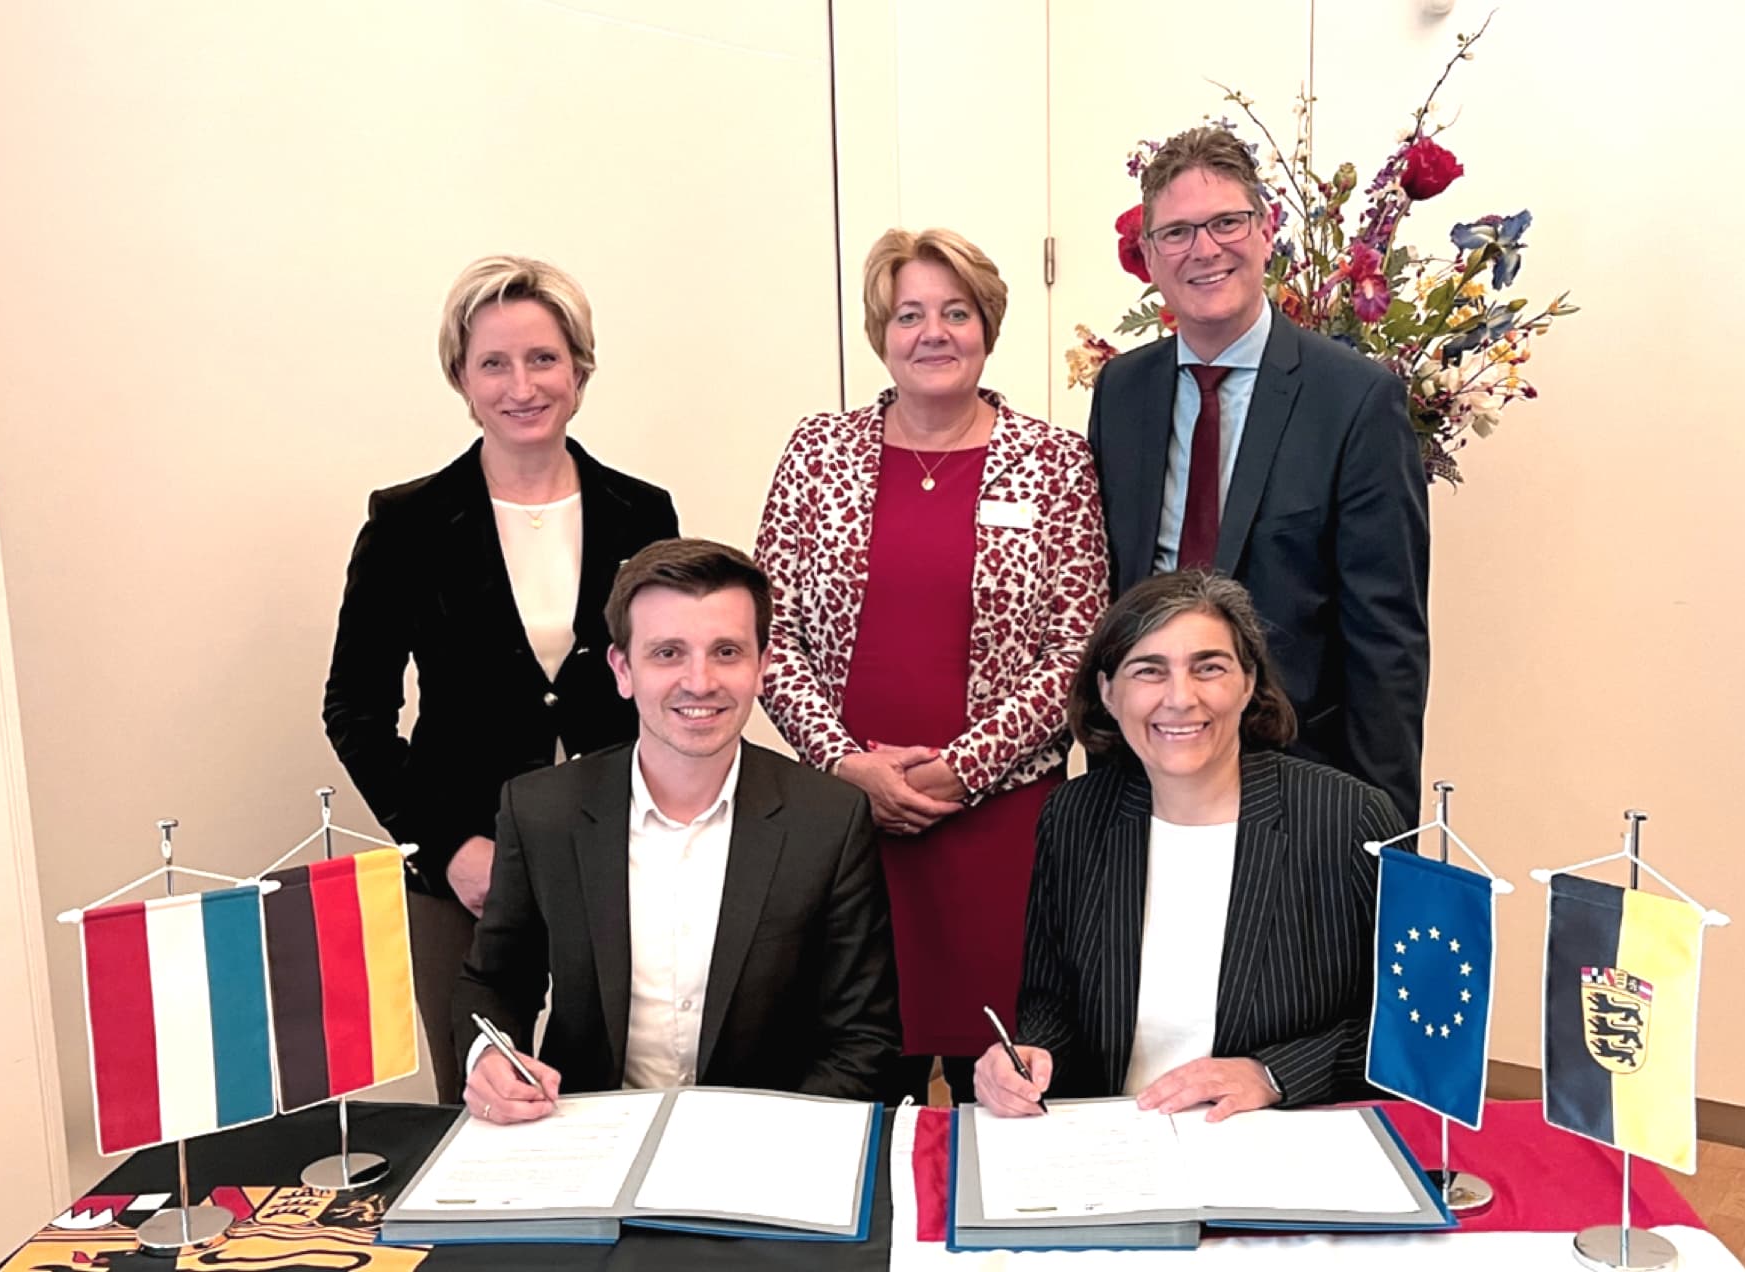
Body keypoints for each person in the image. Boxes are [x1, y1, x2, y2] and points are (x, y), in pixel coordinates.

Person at [755, 227, 1109, 1105]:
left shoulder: (1055, 460)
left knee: (1014, 1085)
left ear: (988, 325)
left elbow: (1079, 647)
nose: (934, 332)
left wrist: (961, 770)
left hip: (1005, 832)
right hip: (848, 828)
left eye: (956, 312)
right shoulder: (817, 453)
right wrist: (844, 767)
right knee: (862, 1073)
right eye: (909, 314)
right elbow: (766, 632)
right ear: (882, 333)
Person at [323, 255, 678, 1101]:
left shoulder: (643, 512)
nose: (522, 385)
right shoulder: (407, 522)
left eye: (544, 359)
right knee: (484, 1104)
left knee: (620, 1088)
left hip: (621, 849)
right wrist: (445, 849)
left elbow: (668, 677)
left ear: (581, 370)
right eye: (494, 363)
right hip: (463, 869)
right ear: (461, 377)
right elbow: (356, 709)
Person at [456, 539, 901, 1122]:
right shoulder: (543, 811)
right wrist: (489, 1053)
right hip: (587, 1133)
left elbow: (864, 1036)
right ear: (623, 670)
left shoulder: (829, 819)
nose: (700, 681)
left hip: (763, 1140)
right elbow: (495, 982)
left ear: (762, 667)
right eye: (668, 653)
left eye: (727, 652)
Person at [1087, 126, 1431, 826]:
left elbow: (1387, 642)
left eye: (1226, 223)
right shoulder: (1121, 392)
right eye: (1177, 232)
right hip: (1144, 774)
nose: (1205, 249)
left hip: (1301, 779)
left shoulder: (1355, 400)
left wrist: (1385, 836)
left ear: (1266, 229)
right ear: (1149, 256)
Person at [973, 571, 1400, 1121]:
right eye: (1149, 671)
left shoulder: (1349, 818)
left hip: (1281, 1139)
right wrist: (1027, 1059)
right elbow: (1051, 1001)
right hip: (1114, 1141)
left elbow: (1414, 1025)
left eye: (1209, 668)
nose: (1181, 698)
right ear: (1107, 692)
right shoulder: (1074, 815)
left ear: (1248, 684)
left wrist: (1272, 1074)